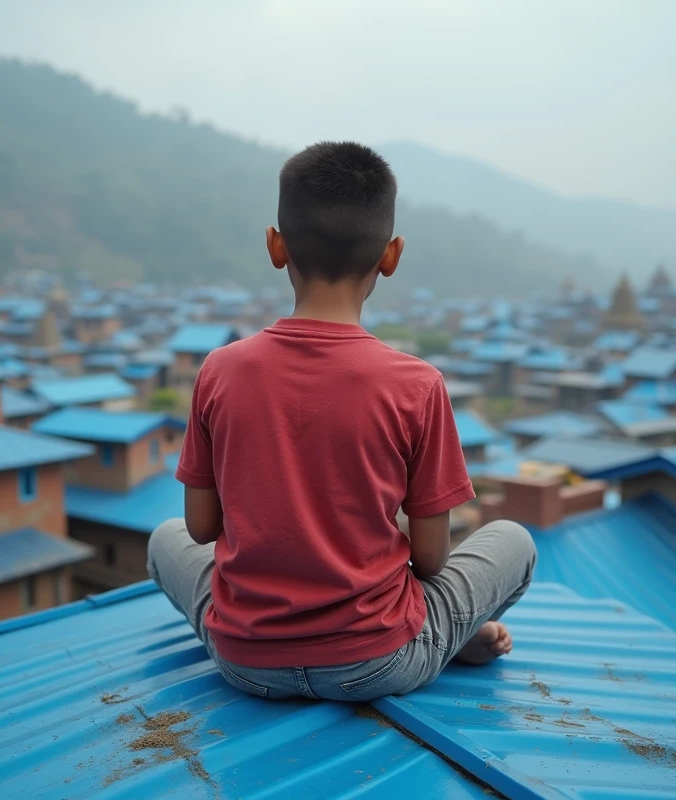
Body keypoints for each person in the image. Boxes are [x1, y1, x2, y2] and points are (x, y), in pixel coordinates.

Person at [147, 141, 536, 701]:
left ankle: (439, 638)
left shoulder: (220, 370)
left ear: (276, 246)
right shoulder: (417, 384)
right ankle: (447, 639)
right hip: (380, 661)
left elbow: (202, 529)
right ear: (391, 255)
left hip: (245, 661)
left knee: (165, 538)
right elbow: (431, 558)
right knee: (514, 540)